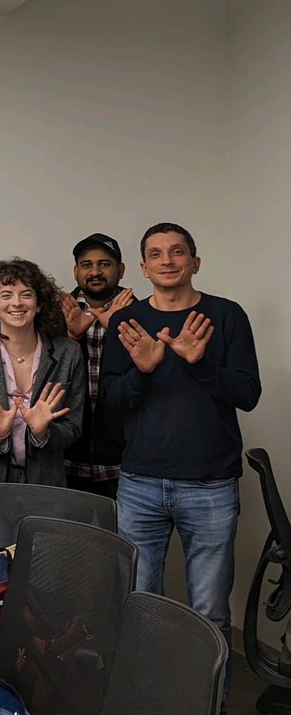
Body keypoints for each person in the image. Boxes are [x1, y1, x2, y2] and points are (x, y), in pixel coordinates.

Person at [100, 223, 260, 693]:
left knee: (210, 610)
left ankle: (209, 702)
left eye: (177, 252)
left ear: (195, 261)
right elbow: (110, 401)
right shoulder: (126, 323)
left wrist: (201, 362)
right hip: (140, 485)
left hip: (210, 485)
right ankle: (149, 699)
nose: (167, 260)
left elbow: (248, 394)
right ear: (144, 267)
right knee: (142, 605)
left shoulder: (226, 316)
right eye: (156, 253)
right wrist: (144, 372)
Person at [0, 258, 86, 553]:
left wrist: (43, 432)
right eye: (7, 295)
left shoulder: (67, 353)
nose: (17, 303)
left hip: (44, 486)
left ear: (39, 304)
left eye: (27, 294)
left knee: (39, 581)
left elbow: (74, 426)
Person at [59, 233, 136, 498]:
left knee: (120, 538)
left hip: (125, 461)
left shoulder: (142, 314)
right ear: (76, 270)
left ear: (121, 270)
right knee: (68, 538)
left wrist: (114, 329)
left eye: (104, 264)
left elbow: (149, 379)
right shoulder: (53, 314)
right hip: (66, 457)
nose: (95, 272)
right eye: (86, 264)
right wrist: (72, 337)